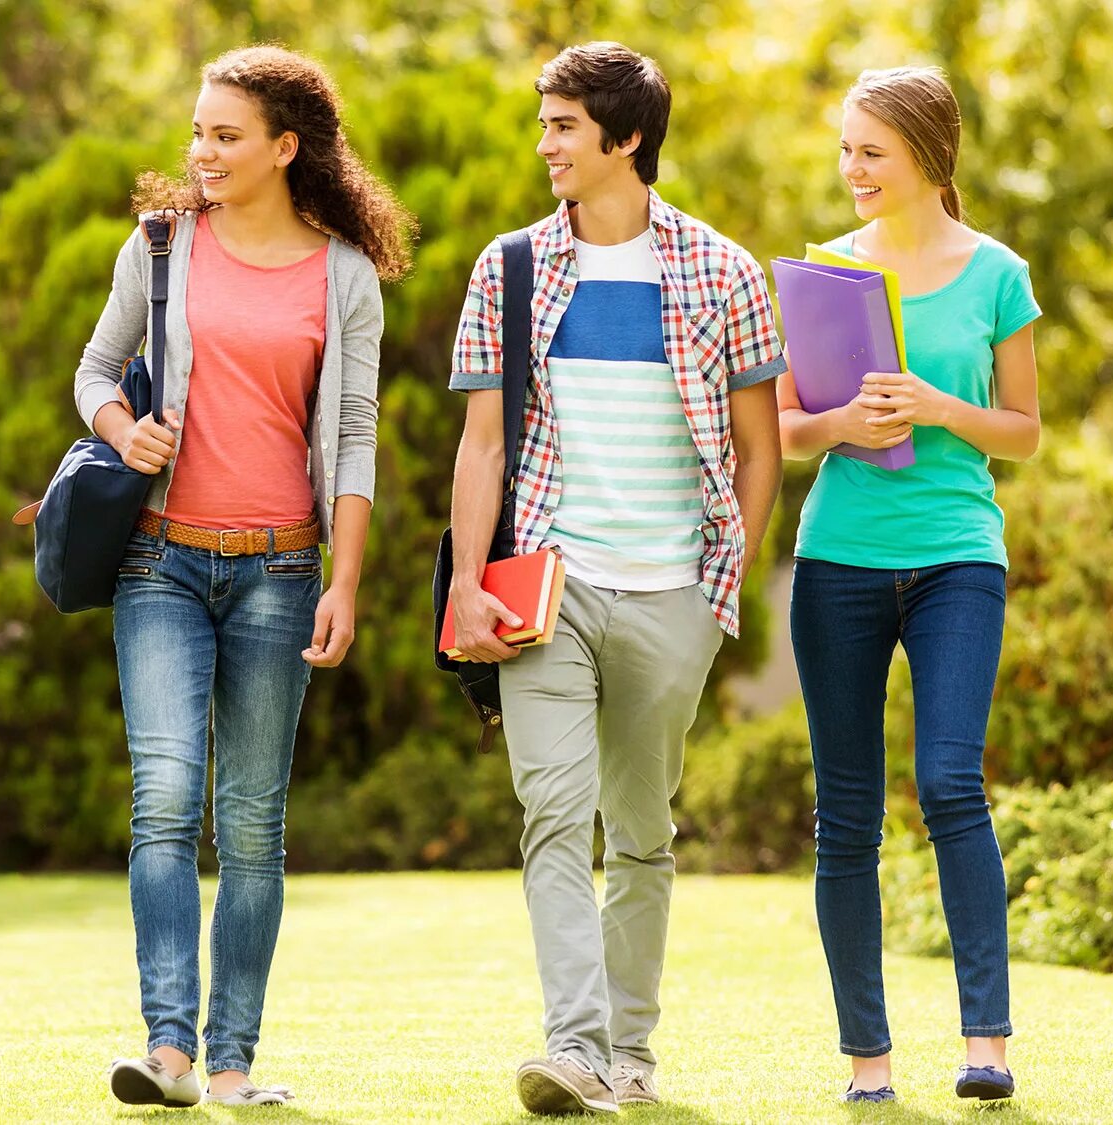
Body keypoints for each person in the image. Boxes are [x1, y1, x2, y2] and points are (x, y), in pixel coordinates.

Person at [447, 41, 784, 1116]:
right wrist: (466, 582)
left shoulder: (725, 271)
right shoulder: (509, 268)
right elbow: (482, 445)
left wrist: (715, 590)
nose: (543, 143)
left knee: (641, 830)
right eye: (542, 123)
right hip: (548, 585)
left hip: (673, 590)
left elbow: (758, 447)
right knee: (554, 813)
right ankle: (577, 1047)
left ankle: (630, 1054)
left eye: (562, 125)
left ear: (625, 138)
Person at [72, 45, 413, 1109]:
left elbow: (352, 439)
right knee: (167, 800)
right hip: (158, 561)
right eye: (198, 132)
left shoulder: (343, 276)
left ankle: (232, 1065)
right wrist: (123, 428)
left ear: (284, 147)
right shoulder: (162, 248)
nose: (203, 152)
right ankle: (167, 1052)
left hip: (279, 569)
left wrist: (343, 583)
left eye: (227, 135)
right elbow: (92, 370)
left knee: (254, 821)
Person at [777, 66, 1041, 1105]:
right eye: (845, 150)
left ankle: (987, 1045)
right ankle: (868, 1063)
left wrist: (937, 405)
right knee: (846, 816)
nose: (851, 170)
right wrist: (841, 426)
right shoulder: (823, 274)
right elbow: (788, 429)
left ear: (928, 158)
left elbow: (1021, 431)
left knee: (948, 781)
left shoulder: (997, 276)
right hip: (839, 556)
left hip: (956, 556)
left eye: (870, 152)